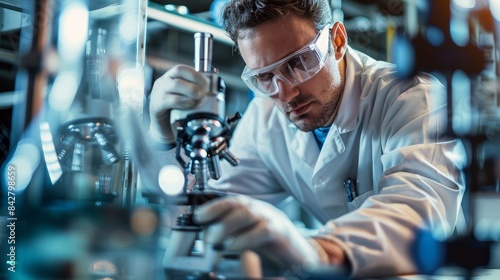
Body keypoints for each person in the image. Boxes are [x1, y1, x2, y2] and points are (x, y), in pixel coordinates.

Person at [148, 0, 467, 277]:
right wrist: (159, 130)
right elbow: (206, 208)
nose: (285, 94)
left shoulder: (412, 98)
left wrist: (313, 250)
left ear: (338, 40)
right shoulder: (264, 118)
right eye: (264, 77)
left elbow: (421, 215)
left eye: (298, 63)